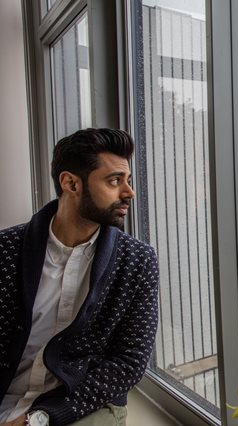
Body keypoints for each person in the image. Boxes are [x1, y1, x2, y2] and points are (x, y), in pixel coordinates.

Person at [0, 128, 159, 426]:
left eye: (127, 180)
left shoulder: (137, 261)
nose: (129, 192)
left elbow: (129, 361)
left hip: (80, 403)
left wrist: (39, 419)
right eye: (114, 181)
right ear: (71, 183)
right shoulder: (6, 250)